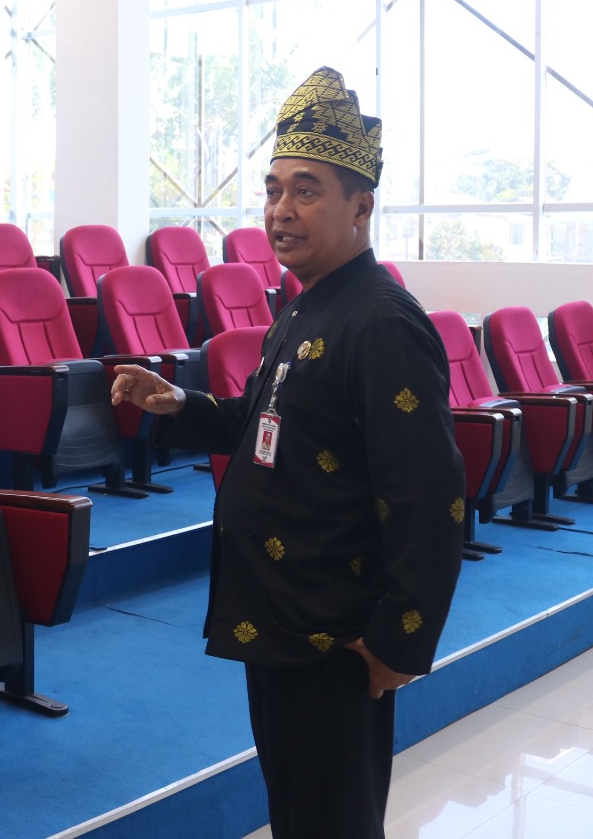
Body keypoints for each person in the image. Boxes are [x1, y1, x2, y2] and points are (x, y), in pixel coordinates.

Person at [112, 67, 464, 839]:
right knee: (301, 814)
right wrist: (178, 404)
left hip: (337, 634)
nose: (280, 210)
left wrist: (402, 637)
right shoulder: (305, 309)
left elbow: (427, 494)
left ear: (361, 206)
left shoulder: (381, 322)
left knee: (332, 821)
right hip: (279, 617)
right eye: (273, 190)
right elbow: (264, 423)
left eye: (306, 191)